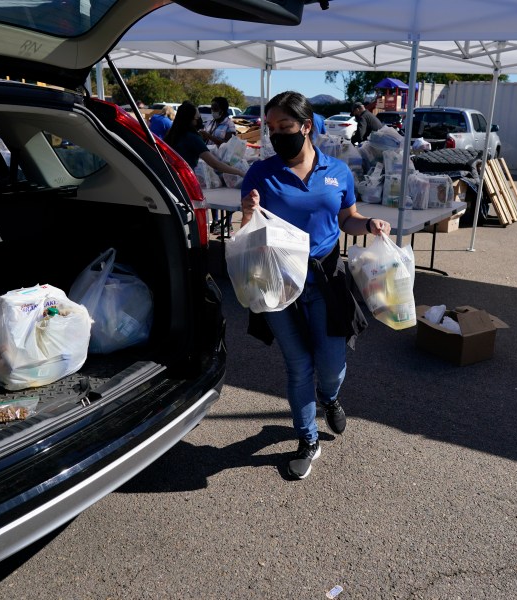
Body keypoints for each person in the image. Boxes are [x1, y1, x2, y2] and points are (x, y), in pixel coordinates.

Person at [240, 90, 392, 479]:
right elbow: (248, 233)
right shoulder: (260, 174)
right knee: (298, 365)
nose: (276, 135)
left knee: (330, 365)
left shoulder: (337, 172)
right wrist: (248, 214)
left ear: (306, 127)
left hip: (325, 278)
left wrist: (369, 225)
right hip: (276, 281)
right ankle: (308, 439)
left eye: (285, 127)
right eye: (271, 129)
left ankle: (330, 397)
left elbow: (348, 219)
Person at [164, 102, 247, 199]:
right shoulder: (193, 137)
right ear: (192, 119)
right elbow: (216, 164)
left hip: (169, 180)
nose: (199, 120)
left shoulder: (171, 134)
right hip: (185, 181)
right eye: (197, 117)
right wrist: (239, 172)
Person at [201, 97, 239, 230]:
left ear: (222, 109)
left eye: (215, 108)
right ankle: (216, 221)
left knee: (226, 194)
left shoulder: (229, 124)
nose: (213, 111)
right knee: (213, 191)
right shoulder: (210, 123)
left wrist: (209, 137)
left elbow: (228, 144)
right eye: (212, 108)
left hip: (224, 163)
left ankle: (228, 223)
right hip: (210, 161)